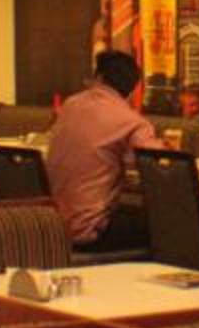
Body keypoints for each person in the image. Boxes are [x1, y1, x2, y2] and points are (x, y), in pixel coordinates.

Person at [46, 50, 163, 250]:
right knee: (167, 225)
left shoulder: (70, 105)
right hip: (89, 233)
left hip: (52, 228)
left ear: (98, 77)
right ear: (133, 89)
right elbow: (156, 165)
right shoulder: (132, 122)